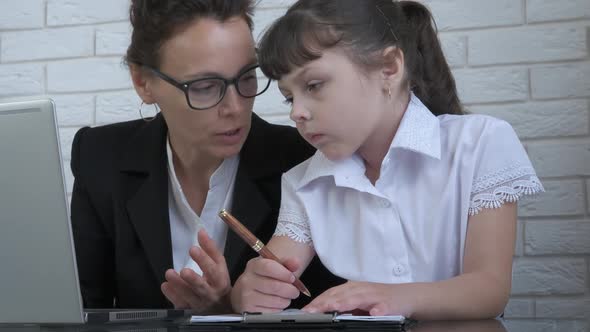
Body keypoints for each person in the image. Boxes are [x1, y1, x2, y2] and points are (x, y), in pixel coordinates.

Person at [230, 0, 544, 320]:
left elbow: (489, 290)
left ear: (389, 68)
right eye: (289, 96)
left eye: (314, 85)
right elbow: (273, 272)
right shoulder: (303, 183)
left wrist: (391, 296)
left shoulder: (480, 143)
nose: (297, 111)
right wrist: (250, 290)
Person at [70, 0, 343, 313]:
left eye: (247, 77)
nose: (236, 108)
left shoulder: (304, 160)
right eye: (204, 86)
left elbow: (331, 312)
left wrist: (226, 310)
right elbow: (80, 312)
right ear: (143, 82)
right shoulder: (100, 157)